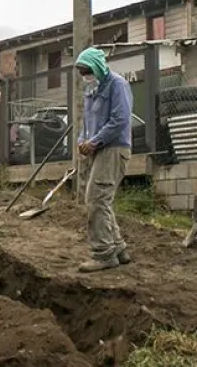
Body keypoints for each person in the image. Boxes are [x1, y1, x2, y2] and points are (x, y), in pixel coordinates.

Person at [74, 47, 133, 272]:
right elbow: (86, 123)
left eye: (87, 70)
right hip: (100, 149)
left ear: (97, 67)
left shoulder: (118, 85)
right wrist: (83, 140)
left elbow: (119, 120)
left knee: (96, 199)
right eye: (81, 72)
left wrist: (95, 141)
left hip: (114, 148)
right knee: (102, 199)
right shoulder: (92, 89)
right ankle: (118, 248)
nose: (84, 75)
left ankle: (103, 253)